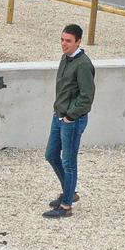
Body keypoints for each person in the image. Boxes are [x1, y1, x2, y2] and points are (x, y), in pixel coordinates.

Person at [44, 23, 95, 219]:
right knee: (51, 155)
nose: (64, 44)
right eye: (62, 40)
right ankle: (69, 192)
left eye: (68, 41)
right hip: (59, 115)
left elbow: (87, 96)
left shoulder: (83, 64)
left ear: (78, 41)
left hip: (71, 120)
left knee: (69, 162)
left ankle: (66, 206)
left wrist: (70, 116)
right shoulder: (65, 59)